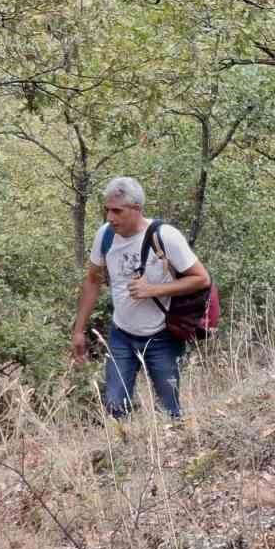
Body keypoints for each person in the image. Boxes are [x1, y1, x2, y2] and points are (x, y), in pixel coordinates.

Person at [70, 176, 210, 421]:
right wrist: (78, 330)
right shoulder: (105, 236)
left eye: (117, 211)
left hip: (162, 337)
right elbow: (93, 280)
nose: (110, 217)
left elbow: (201, 278)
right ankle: (124, 454)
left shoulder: (165, 236)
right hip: (121, 335)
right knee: (114, 407)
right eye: (107, 210)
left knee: (170, 410)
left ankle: (168, 454)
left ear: (136, 209)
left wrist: (153, 290)